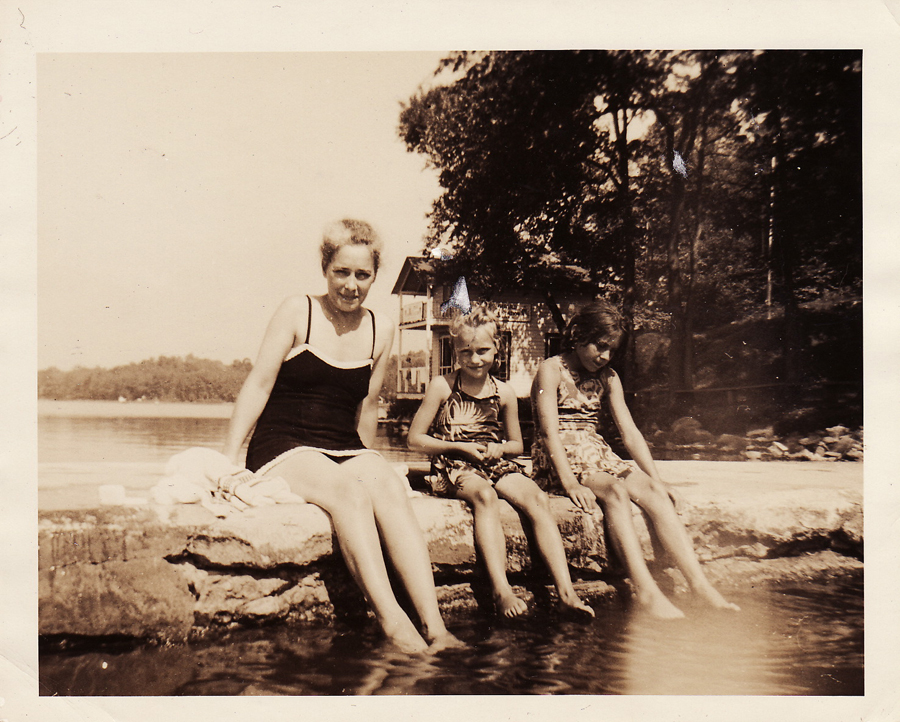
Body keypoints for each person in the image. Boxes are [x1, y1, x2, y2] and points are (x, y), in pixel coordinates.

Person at [222, 219, 459, 653]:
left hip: (342, 442)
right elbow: (259, 383)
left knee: (387, 484)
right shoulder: (299, 310)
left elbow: (367, 406)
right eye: (342, 272)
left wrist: (370, 461)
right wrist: (229, 460)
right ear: (326, 268)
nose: (351, 285)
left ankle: (436, 627)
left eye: (362, 275)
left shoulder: (381, 329)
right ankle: (394, 624)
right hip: (284, 442)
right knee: (348, 494)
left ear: (374, 275)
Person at [531, 300, 740, 619]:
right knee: (615, 491)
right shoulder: (550, 369)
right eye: (600, 347)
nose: (604, 356)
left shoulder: (609, 377)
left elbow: (629, 432)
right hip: (558, 457)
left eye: (611, 350)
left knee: (656, 494)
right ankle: (646, 590)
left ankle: (700, 585)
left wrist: (656, 478)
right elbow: (548, 433)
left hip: (595, 452)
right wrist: (569, 482)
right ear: (578, 334)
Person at [407, 306, 594, 619]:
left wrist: (499, 449)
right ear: (455, 351)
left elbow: (517, 445)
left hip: (493, 463)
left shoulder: (504, 392)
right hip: (455, 465)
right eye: (466, 352)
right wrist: (459, 447)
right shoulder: (443, 387)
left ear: (498, 348)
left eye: (483, 351)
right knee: (485, 496)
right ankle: (501, 590)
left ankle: (566, 593)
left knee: (536, 497)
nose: (475, 359)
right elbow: (414, 439)